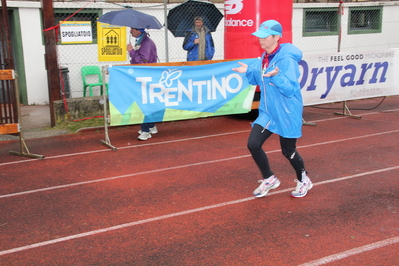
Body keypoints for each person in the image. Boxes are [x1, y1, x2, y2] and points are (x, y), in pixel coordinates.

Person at [232, 20, 313, 198]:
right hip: (268, 111)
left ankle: (303, 179)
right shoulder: (264, 57)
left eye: (264, 36)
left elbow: (291, 89)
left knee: (288, 150)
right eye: (259, 36)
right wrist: (249, 71)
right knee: (253, 144)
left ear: (277, 37)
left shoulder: (286, 60)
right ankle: (269, 179)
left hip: (287, 110)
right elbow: (260, 79)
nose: (260, 39)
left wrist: (277, 77)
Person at [127, 28, 158, 141]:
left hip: (146, 76)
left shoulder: (146, 43)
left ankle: (146, 131)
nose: (130, 32)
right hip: (143, 75)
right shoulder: (141, 41)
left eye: (132, 29)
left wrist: (131, 51)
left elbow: (143, 62)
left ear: (139, 30)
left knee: (145, 102)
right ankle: (151, 126)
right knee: (146, 101)